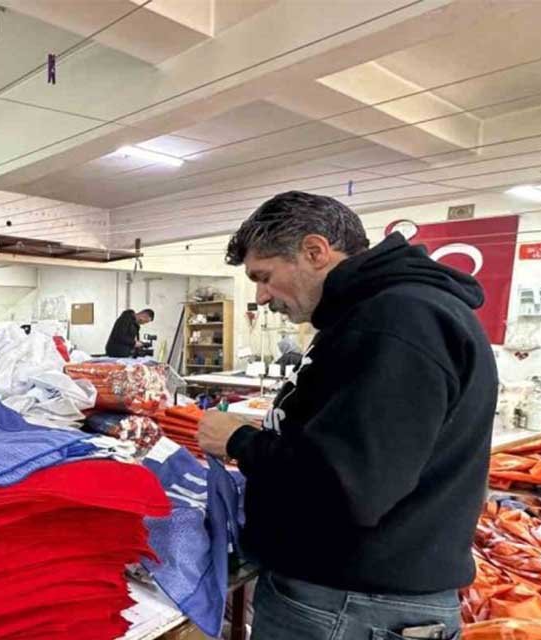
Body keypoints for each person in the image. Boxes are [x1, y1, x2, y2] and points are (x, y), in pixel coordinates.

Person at [196, 191, 495, 639]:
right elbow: (363, 448)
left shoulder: (397, 320)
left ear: (315, 251)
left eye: (264, 277)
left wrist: (241, 442)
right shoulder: (375, 315)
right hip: (351, 599)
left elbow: (349, 486)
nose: (260, 296)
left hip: (350, 604)